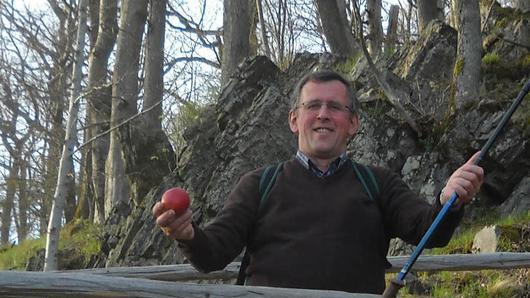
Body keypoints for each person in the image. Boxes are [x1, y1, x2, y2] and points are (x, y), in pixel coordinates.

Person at [152, 70, 484, 294]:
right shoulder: (258, 184)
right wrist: (187, 234)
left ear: (352, 123)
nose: (323, 114)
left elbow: (430, 231)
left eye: (335, 107)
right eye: (313, 106)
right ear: (294, 120)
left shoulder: (377, 183)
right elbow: (212, 255)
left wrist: (450, 199)